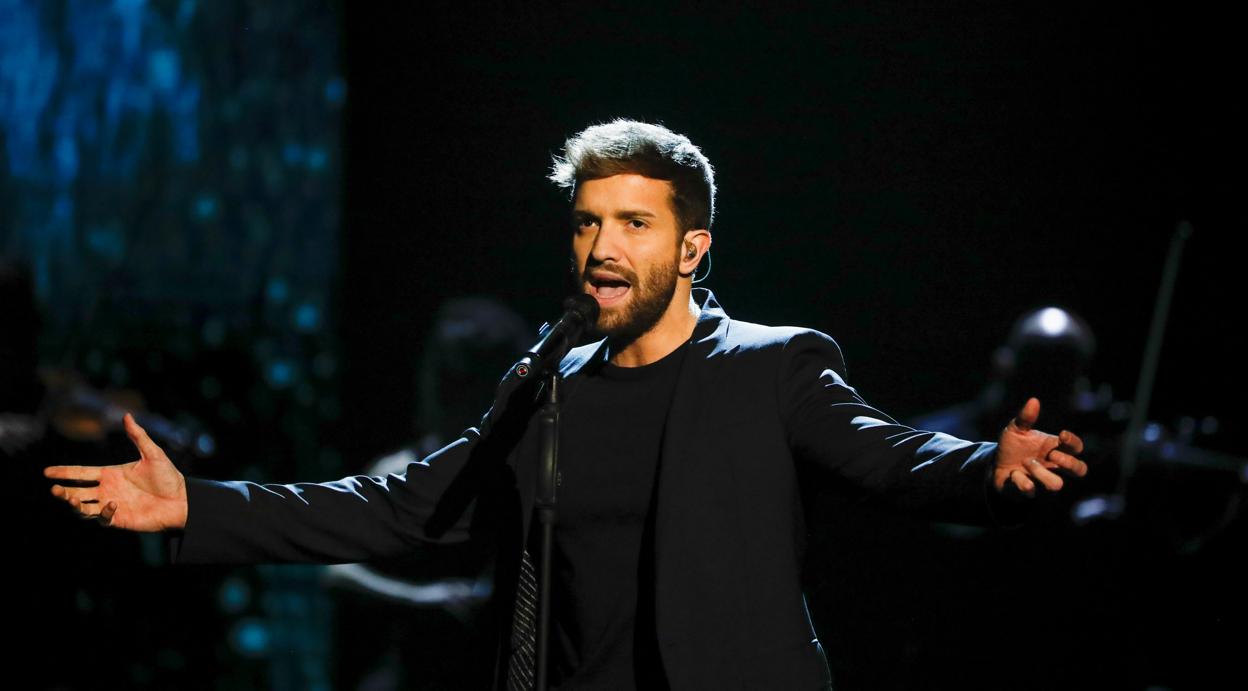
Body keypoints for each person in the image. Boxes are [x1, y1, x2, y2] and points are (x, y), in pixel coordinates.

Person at [46, 119, 1088, 690]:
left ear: (692, 248)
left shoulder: (773, 365)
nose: (600, 248)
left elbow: (889, 455)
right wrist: (199, 505)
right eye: (587, 223)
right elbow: (400, 506)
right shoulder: (546, 387)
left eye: (632, 223)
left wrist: (987, 471)